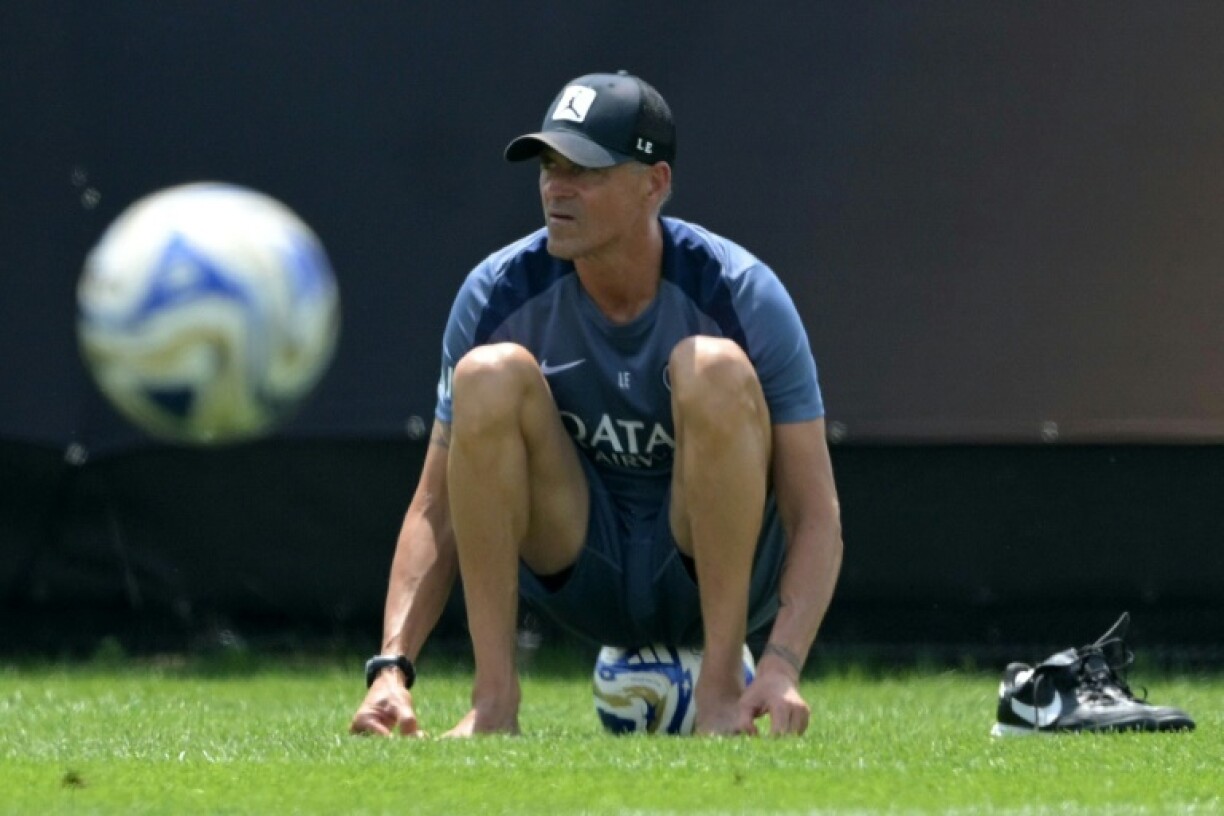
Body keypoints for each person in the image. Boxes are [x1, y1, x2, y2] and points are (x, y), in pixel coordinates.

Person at [349, 70, 842, 738]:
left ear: (655, 183)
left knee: (713, 367)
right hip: (582, 573)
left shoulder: (742, 292)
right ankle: (494, 705)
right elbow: (433, 508)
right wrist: (390, 670)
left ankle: (723, 690)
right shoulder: (497, 293)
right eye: (549, 164)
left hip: (711, 574)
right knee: (486, 375)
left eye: (585, 167)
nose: (557, 186)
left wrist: (780, 664)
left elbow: (815, 514)